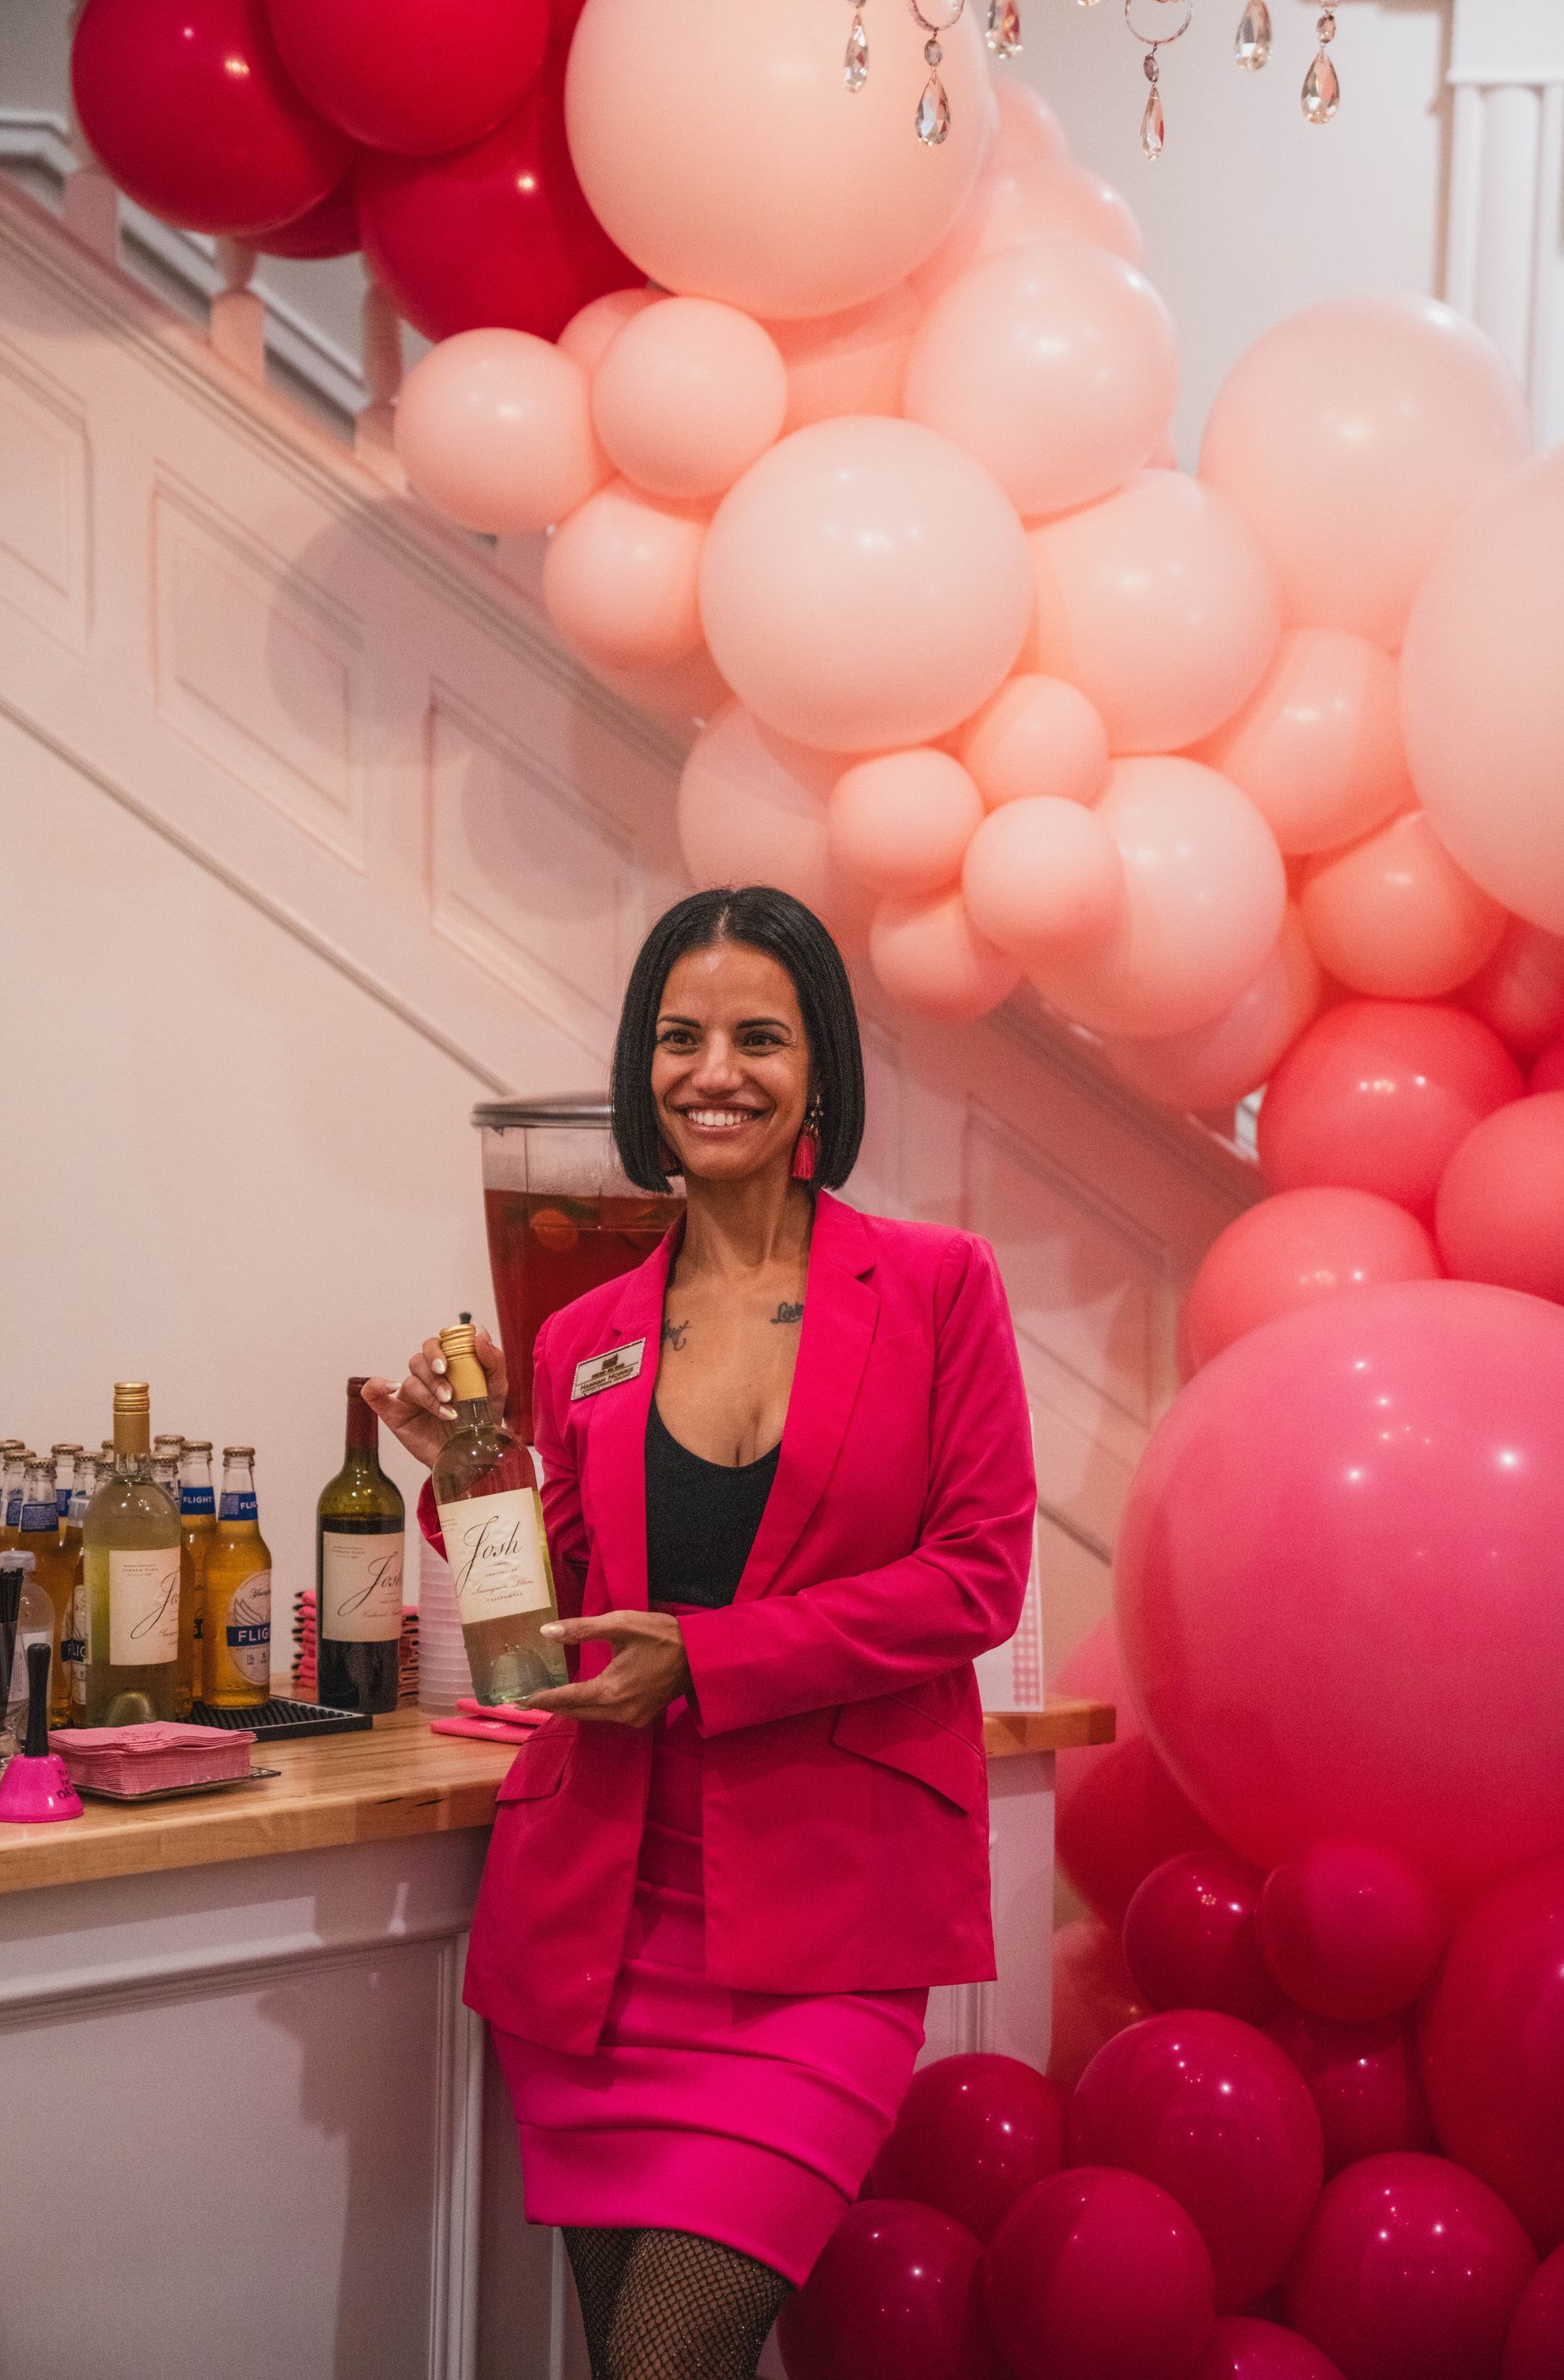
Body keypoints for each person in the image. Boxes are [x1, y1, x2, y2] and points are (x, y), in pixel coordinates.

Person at [365, 886, 1035, 2380]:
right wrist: (471, 1473)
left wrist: (711, 1659)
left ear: (821, 1067)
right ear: (641, 1065)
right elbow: (547, 1627)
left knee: (670, 2360)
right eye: (679, 1038)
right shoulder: (580, 1334)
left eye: (757, 1038)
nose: (712, 1072)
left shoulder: (938, 1288)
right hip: (596, 1930)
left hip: (829, 1934)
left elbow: (976, 1577)